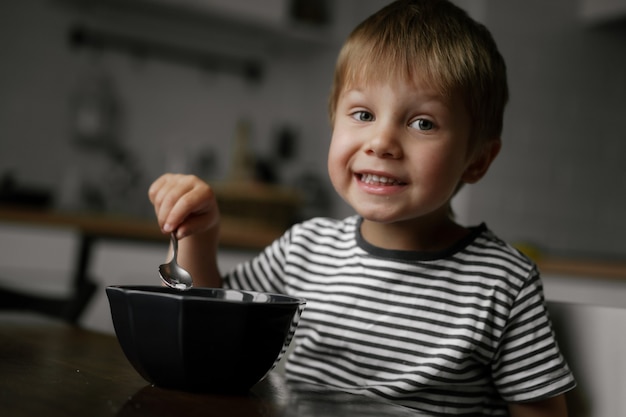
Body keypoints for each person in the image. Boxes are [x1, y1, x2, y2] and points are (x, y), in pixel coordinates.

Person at [148, 0, 576, 415]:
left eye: (422, 123)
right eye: (363, 114)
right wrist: (198, 237)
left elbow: (541, 410)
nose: (382, 142)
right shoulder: (305, 248)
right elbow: (212, 324)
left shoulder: (503, 283)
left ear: (477, 159)